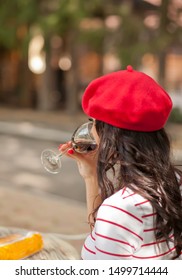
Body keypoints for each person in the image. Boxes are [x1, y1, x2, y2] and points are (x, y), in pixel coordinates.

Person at [60, 65, 182, 260]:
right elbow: (108, 237)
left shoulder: (121, 208)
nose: (91, 131)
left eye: (94, 122)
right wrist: (91, 175)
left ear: (110, 134)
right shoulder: (175, 182)